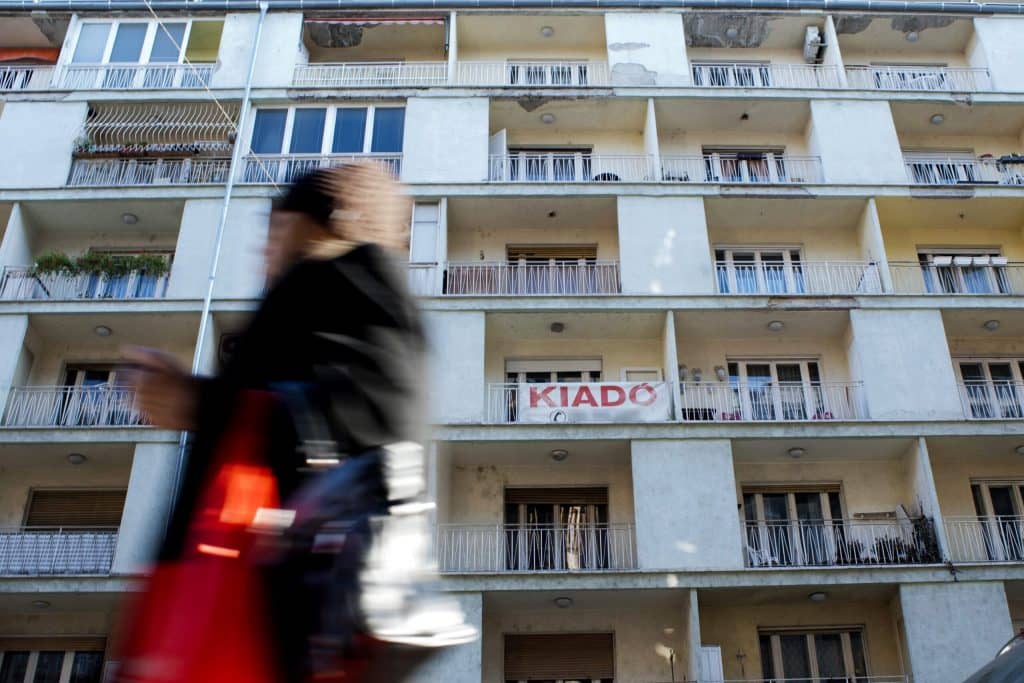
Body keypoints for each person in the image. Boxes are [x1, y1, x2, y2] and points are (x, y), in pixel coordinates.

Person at [124, 163, 439, 682]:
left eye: (275, 227)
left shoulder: (350, 277)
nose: (264, 248)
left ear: (314, 222)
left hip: (271, 612)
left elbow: (365, 415)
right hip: (249, 606)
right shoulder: (334, 289)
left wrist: (198, 402)